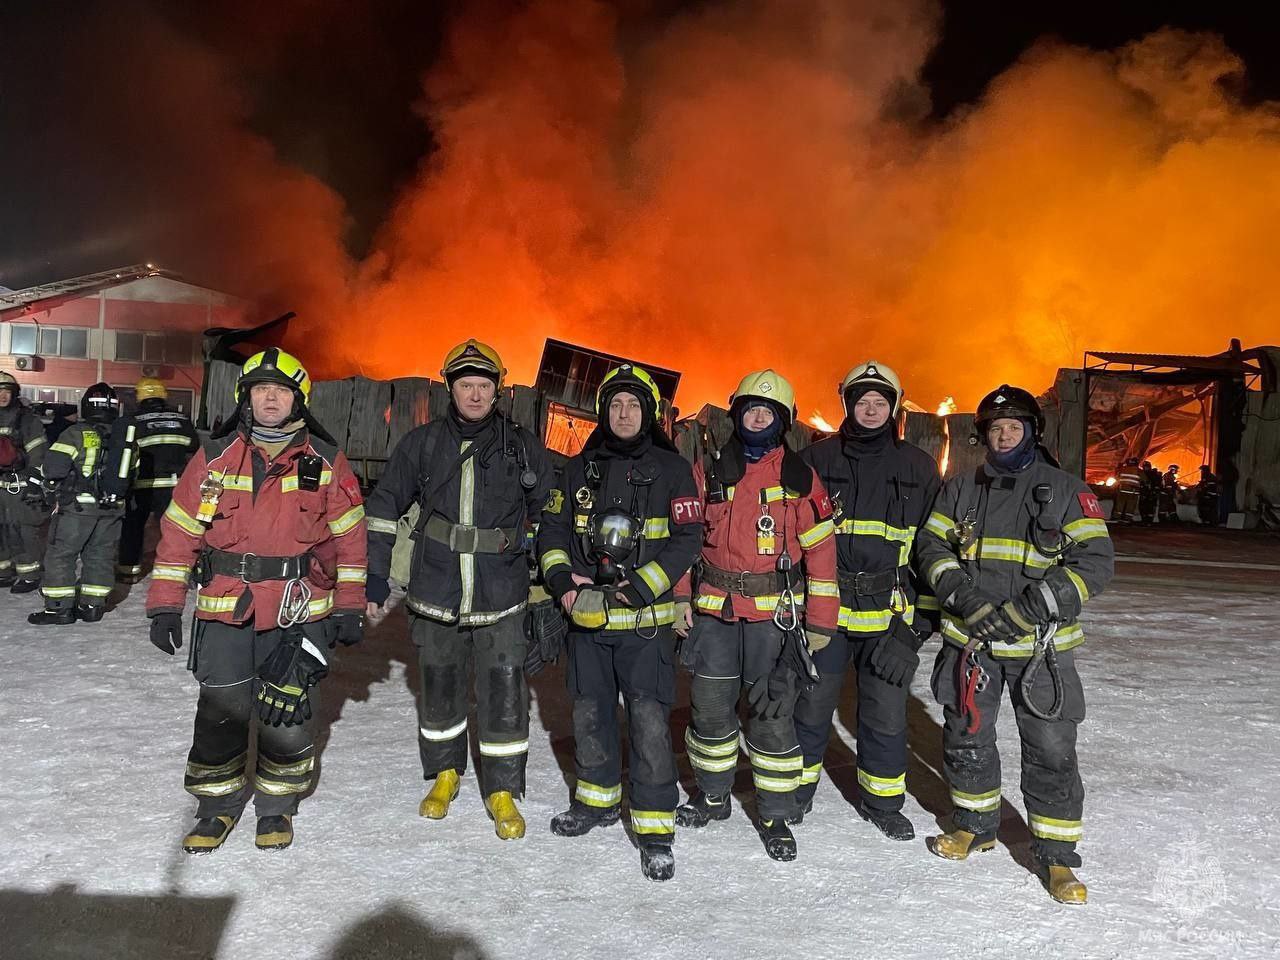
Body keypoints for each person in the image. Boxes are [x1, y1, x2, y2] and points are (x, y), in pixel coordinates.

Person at [145, 348, 368, 853]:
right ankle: (216, 808)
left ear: (298, 400)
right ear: (245, 398)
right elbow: (179, 531)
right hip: (226, 606)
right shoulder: (214, 456)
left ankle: (276, 807)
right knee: (221, 711)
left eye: (281, 390)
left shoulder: (326, 461)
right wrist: (164, 603)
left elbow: (350, 540)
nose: (270, 397)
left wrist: (351, 605)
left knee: (287, 714)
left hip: (297, 610)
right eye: (261, 389)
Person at [916, 384, 1114, 904]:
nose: (1004, 436)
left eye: (1014, 427)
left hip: (1040, 651)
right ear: (983, 436)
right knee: (966, 737)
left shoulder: (1067, 490)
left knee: (1051, 750)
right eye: (995, 429)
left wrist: (1030, 608)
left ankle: (1056, 858)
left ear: (1032, 432)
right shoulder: (960, 488)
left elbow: (1095, 563)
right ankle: (974, 826)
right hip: (972, 644)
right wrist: (966, 598)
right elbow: (931, 547)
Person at [364, 339, 553, 840]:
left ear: (498, 391)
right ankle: (444, 774)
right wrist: (376, 572)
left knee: (505, 692)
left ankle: (503, 790)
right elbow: (384, 505)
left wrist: (544, 571)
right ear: (450, 388)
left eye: (483, 386)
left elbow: (549, 508)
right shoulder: (422, 444)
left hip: (501, 594)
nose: (474, 394)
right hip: (436, 590)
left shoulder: (522, 445)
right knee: (440, 687)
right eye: (465, 385)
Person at [537, 364, 702, 881]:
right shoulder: (577, 468)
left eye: (633, 405)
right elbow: (552, 534)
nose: (623, 413)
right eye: (615, 405)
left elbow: (688, 541)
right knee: (589, 714)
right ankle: (596, 801)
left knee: (651, 724)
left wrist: (640, 588)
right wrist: (564, 587)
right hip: (588, 627)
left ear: (648, 413)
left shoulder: (674, 471)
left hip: (644, 627)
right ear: (603, 412)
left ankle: (654, 829)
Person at [675, 369, 838, 861]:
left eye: (768, 411)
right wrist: (681, 596)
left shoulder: (800, 479)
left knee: (771, 716)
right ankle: (713, 795)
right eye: (751, 409)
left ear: (783, 420)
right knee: (709, 710)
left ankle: (775, 813)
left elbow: (822, 553)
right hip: (714, 614)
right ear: (737, 415)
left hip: (776, 621)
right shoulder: (708, 470)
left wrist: (821, 621)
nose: (758, 417)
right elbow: (684, 541)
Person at [792, 361, 941, 839]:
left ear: (894, 409)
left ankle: (882, 802)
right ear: (848, 406)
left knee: (885, 713)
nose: (871, 409)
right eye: (863, 401)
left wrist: (914, 631)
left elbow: (932, 551)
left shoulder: (917, 466)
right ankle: (795, 793)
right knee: (811, 705)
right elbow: (792, 538)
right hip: (825, 612)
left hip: (888, 616)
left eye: (880, 402)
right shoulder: (816, 460)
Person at [29, 382, 135, 624]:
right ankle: (92, 606)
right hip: (113, 510)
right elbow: (133, 474)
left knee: (61, 555)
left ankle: (58, 608)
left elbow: (53, 468)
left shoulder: (75, 433)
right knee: (100, 556)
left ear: (86, 406)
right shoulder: (125, 438)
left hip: (77, 509)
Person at [116, 377, 199, 581]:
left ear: (140, 397)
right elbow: (194, 447)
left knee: (133, 527)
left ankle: (129, 571)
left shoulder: (133, 420)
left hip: (142, 484)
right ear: (163, 395)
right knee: (178, 529)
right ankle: (184, 571)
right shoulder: (181, 419)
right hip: (174, 485)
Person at [0, 371, 49, 592]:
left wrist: (34, 483)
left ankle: (29, 573)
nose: (2, 396)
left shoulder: (27, 420)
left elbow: (39, 453)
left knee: (25, 530)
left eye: (6, 392)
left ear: (15, 394)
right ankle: (4, 570)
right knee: (2, 530)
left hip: (19, 485)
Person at [1113, 457, 1141, 522]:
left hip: (1122, 489)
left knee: (1120, 504)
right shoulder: (1139, 470)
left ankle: (1117, 517)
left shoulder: (1123, 469)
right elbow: (1145, 479)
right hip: (1133, 492)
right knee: (1130, 505)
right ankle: (1127, 518)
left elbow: (1117, 477)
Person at [1138, 460, 1160, 525]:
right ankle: (1144, 520)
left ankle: (1148, 521)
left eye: (1146, 467)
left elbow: (1157, 484)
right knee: (1142, 507)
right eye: (1145, 467)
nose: (1145, 468)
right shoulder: (1143, 473)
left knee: (1149, 507)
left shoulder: (1153, 474)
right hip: (1144, 493)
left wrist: (1154, 492)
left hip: (1150, 494)